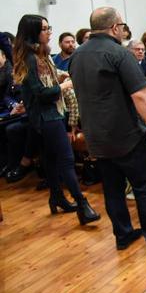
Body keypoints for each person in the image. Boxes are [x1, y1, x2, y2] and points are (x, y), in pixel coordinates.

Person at [70, 6, 146, 251]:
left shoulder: (77, 55)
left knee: (112, 189)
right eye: (122, 26)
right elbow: (140, 95)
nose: (122, 30)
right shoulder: (119, 53)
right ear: (114, 27)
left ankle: (122, 234)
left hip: (96, 136)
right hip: (126, 135)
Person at [13, 14, 100, 225]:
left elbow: (46, 80)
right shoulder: (30, 58)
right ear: (34, 32)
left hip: (50, 114)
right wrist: (63, 86)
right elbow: (41, 93)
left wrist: (59, 77)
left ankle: (57, 198)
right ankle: (82, 205)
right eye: (44, 28)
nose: (49, 31)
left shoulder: (41, 55)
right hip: (45, 116)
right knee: (67, 159)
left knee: (51, 160)